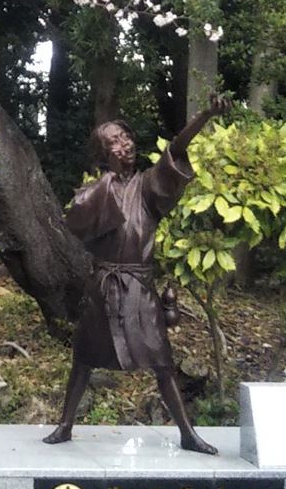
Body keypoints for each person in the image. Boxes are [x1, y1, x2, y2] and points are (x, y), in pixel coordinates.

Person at [42, 93, 228, 455]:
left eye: (125, 137)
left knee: (161, 361)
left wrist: (204, 115)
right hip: (104, 286)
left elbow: (176, 149)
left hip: (139, 287)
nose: (123, 144)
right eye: (113, 142)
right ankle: (65, 424)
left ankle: (187, 433)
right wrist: (107, 179)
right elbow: (76, 218)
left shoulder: (147, 185)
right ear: (102, 154)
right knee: (83, 357)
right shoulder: (96, 191)